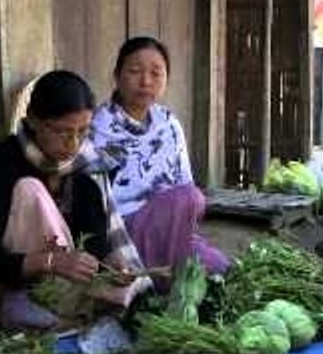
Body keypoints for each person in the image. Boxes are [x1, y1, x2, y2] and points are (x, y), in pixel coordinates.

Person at [0, 70, 149, 330]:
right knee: (30, 190)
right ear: (33, 121)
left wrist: (112, 268)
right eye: (62, 131)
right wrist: (52, 262)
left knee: (127, 288)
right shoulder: (3, 165)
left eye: (83, 131)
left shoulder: (86, 172)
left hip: (53, 286)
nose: (74, 144)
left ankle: (35, 309)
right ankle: (14, 308)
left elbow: (95, 251)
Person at [89, 36, 229, 279]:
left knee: (218, 266)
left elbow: (183, 182)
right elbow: (93, 203)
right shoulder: (97, 126)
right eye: (135, 71)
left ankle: (159, 271)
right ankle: (149, 275)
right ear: (116, 75)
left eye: (156, 73)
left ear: (166, 79)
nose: (145, 81)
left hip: (170, 226)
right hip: (122, 233)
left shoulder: (169, 123)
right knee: (189, 198)